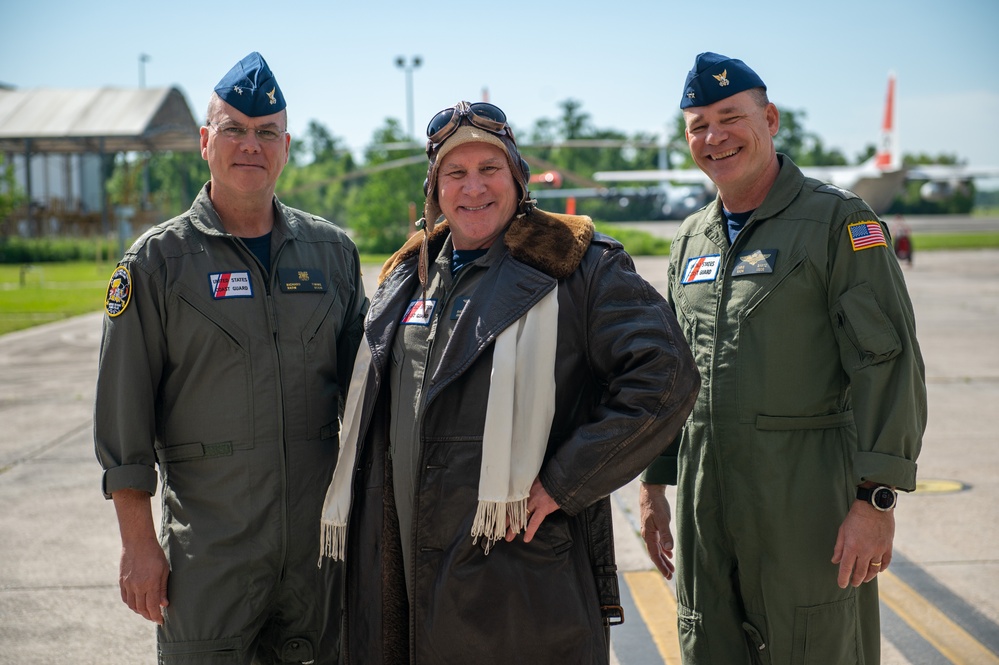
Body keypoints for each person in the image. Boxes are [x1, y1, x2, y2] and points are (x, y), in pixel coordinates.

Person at [318, 100, 700, 664]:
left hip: (519, 585)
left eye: (489, 170)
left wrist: (564, 482)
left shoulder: (577, 267)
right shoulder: (409, 276)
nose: (474, 188)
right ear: (435, 189)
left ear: (517, 178)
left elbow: (665, 377)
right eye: (456, 173)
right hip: (403, 579)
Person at [638, 53, 927, 665]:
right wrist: (655, 485)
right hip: (704, 507)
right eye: (697, 125)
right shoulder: (691, 238)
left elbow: (887, 362)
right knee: (707, 644)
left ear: (769, 119)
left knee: (814, 646)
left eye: (730, 117)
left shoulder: (838, 223)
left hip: (805, 507)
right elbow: (670, 374)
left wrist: (875, 501)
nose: (714, 137)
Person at [94, 52, 366, 665]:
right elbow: (122, 417)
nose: (251, 145)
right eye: (235, 129)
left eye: (266, 131)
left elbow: (371, 390)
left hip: (317, 558)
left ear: (287, 146)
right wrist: (139, 545)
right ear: (205, 140)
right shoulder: (157, 265)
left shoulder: (331, 256)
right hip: (209, 559)